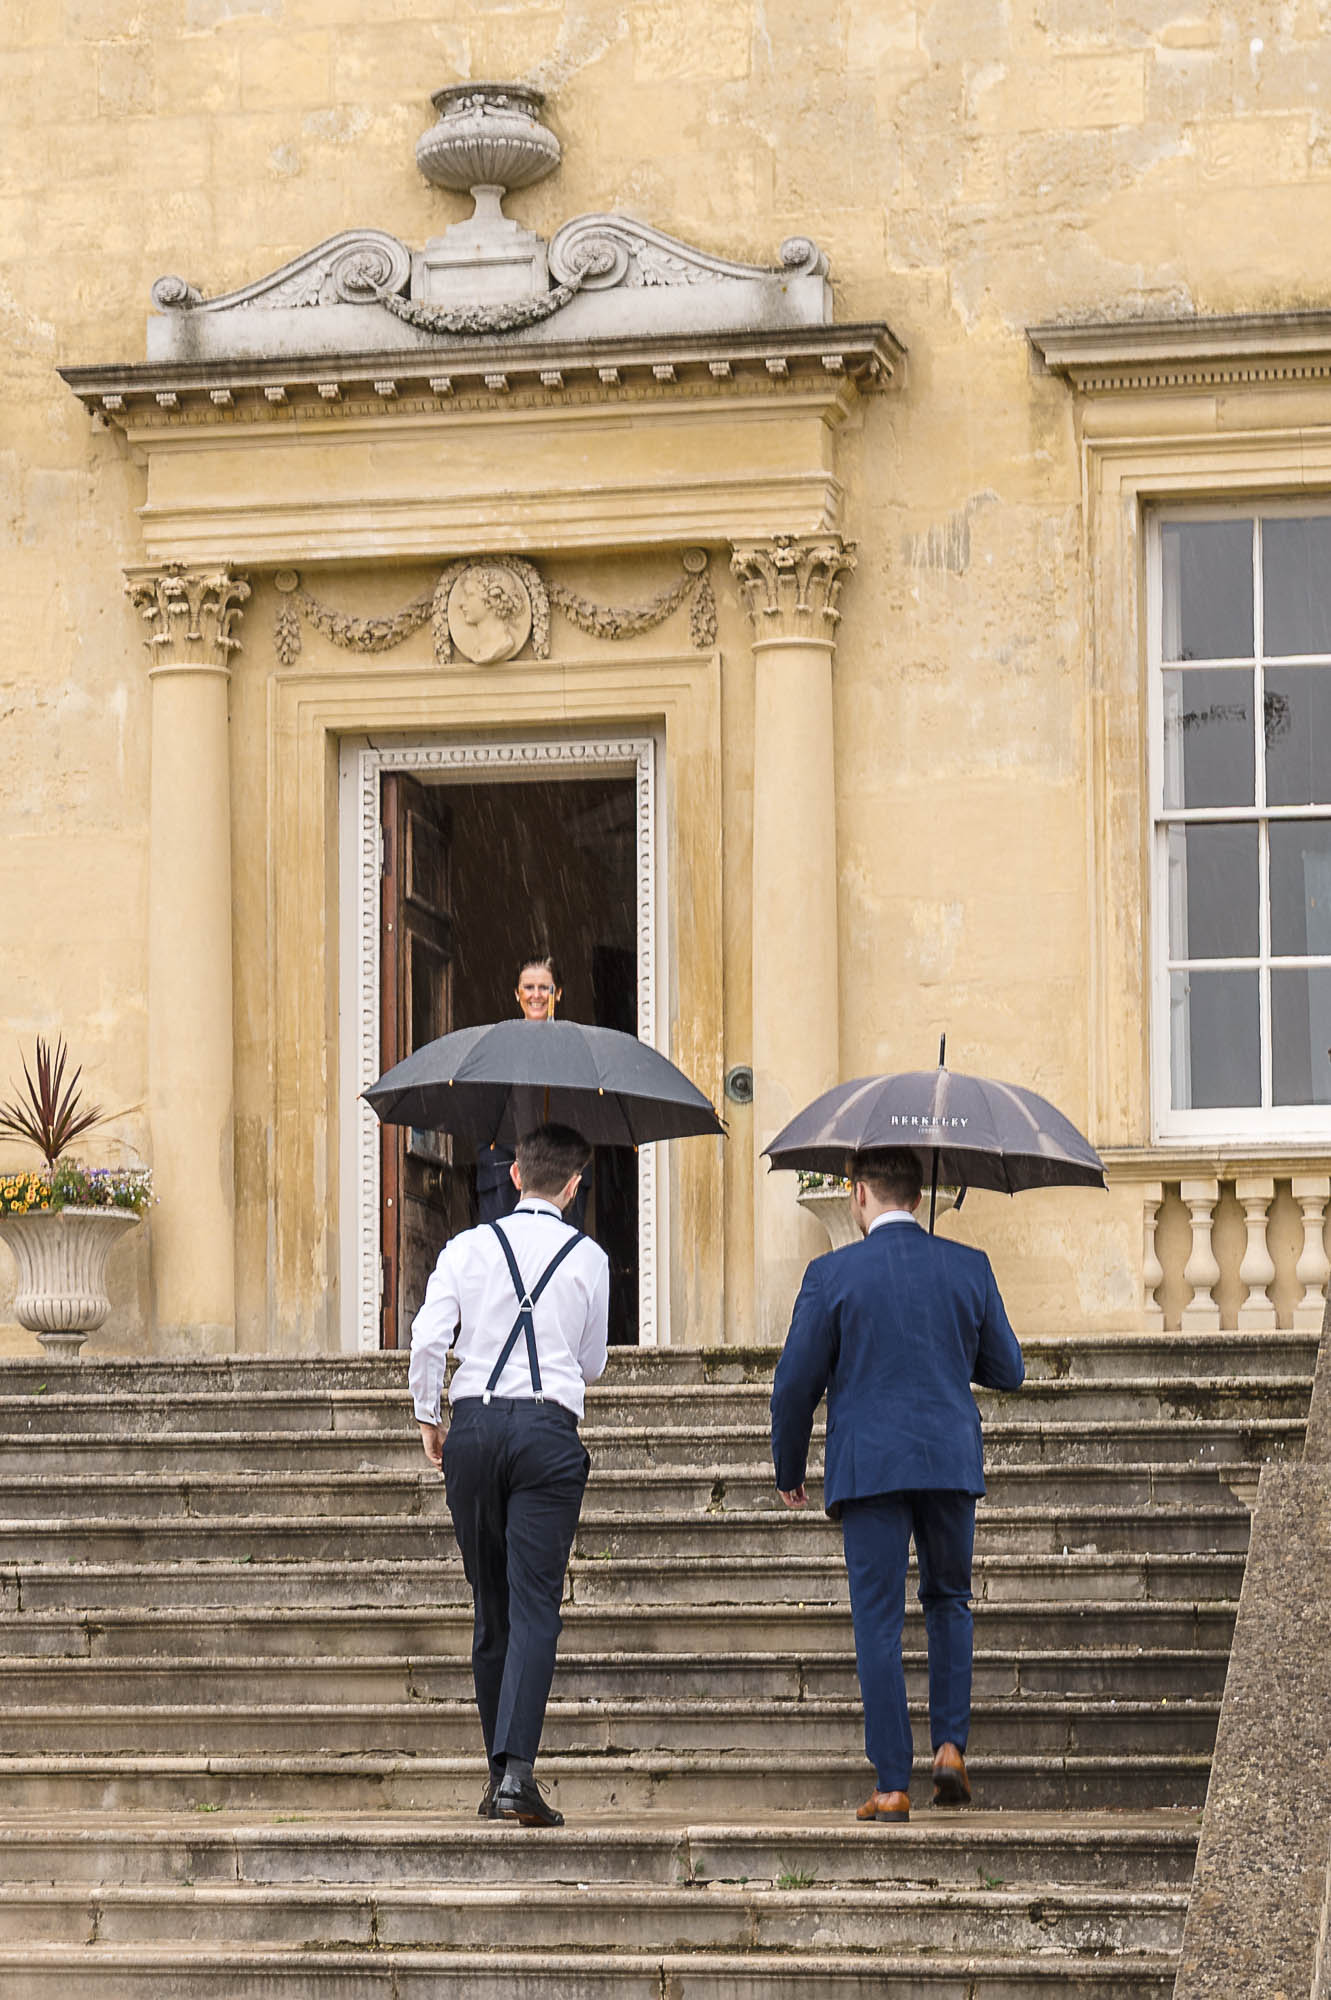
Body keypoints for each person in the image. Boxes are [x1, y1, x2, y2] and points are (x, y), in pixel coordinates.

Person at [770, 1146, 1024, 1824]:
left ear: (858, 1194)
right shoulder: (966, 1266)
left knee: (877, 1620)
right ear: (917, 1196)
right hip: (945, 1457)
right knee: (948, 1600)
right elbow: (1008, 1370)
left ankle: (890, 1783)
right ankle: (948, 1746)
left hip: (869, 1465)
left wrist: (788, 1468)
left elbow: (794, 1383)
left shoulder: (830, 1274)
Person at [410, 1121, 608, 1828]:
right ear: (575, 1185)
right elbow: (590, 1366)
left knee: (490, 1606)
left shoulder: (465, 1248)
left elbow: (430, 1337)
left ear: (515, 1174)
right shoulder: (588, 1258)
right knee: (533, 1607)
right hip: (545, 1433)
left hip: (475, 1427)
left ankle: (499, 1775)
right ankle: (515, 1774)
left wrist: (427, 1415)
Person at [476, 955, 589, 1231]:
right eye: (528, 987)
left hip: (561, 1172)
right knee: (502, 1263)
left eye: (544, 988)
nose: (536, 995)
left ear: (558, 993)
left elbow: (585, 1115)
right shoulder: (498, 1047)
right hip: (504, 1172)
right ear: (517, 994)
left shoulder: (576, 1048)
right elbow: (484, 1114)